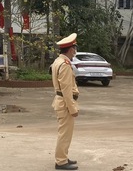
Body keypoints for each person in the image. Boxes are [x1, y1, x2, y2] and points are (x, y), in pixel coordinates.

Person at [51, 33, 80, 170]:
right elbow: (67, 90)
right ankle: (61, 161)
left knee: (65, 133)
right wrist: (73, 108)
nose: (75, 51)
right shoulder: (65, 65)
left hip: (60, 101)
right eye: (74, 48)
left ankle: (63, 156)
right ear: (70, 49)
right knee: (64, 133)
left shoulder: (58, 61)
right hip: (65, 103)